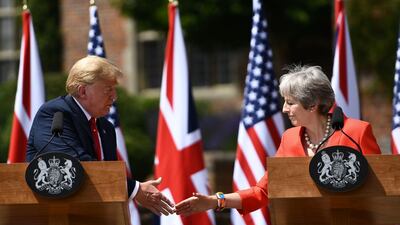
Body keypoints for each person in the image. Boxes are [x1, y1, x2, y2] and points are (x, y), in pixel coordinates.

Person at [175, 65, 381, 215]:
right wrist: (214, 201)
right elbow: (262, 191)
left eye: (290, 103)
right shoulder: (290, 139)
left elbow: (382, 188)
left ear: (312, 104)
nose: (284, 109)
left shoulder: (356, 132)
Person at [26, 55, 174, 216]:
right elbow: (74, 164)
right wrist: (135, 189)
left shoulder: (106, 128)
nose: (114, 96)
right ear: (83, 91)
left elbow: (108, 173)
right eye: (108, 89)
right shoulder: (55, 115)